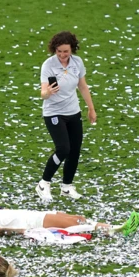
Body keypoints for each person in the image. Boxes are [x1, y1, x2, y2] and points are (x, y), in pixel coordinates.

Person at [37, 31, 97, 201]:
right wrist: (47, 92)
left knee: (75, 150)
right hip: (54, 112)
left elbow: (83, 87)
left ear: (72, 49)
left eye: (66, 51)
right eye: (59, 52)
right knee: (63, 148)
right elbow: (43, 93)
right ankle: (44, 183)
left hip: (73, 111)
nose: (62, 55)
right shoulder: (48, 65)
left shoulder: (77, 63)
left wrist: (91, 108)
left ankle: (67, 187)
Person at [0, 207, 139, 238]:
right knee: (74, 222)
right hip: (32, 221)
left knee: (76, 219)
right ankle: (118, 229)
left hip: (33, 215)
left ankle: (113, 228)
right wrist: (23, 231)